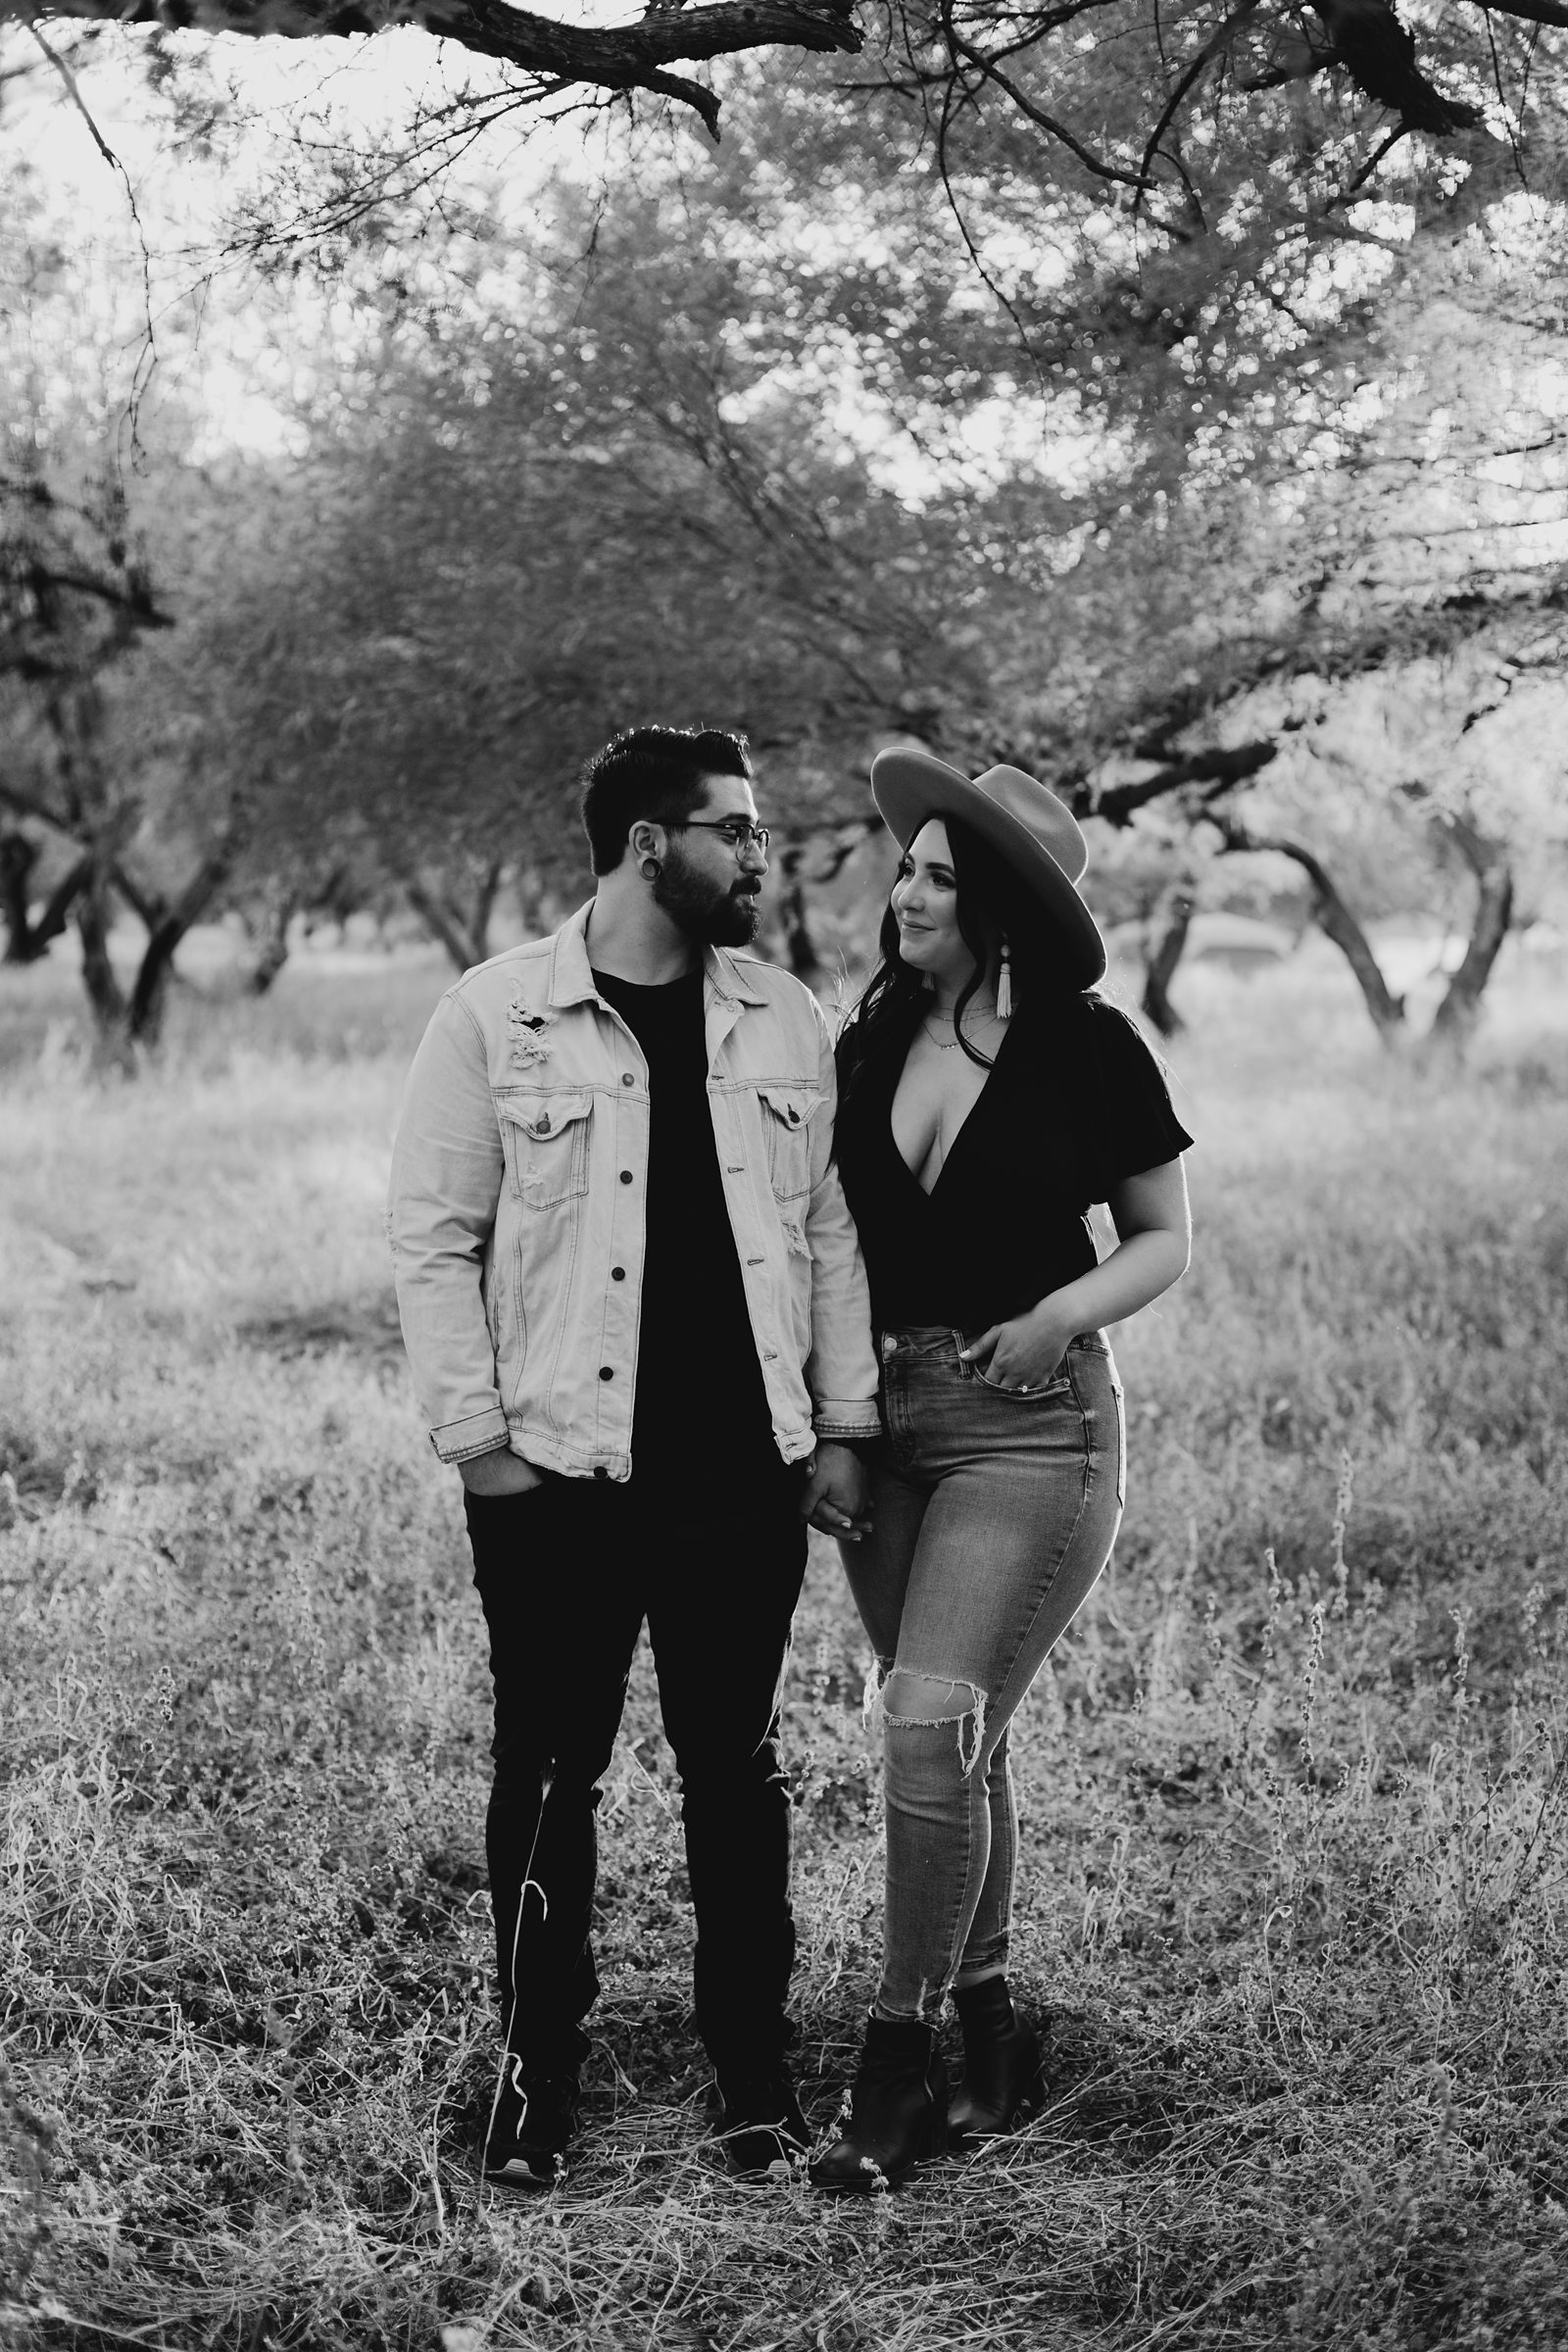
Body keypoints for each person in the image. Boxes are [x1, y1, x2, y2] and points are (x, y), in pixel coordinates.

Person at [386, 725, 880, 2189]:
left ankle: (754, 2072)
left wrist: (842, 1427)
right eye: (735, 831)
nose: (759, 856)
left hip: (742, 1480)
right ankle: (538, 2072)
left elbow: (831, 1235)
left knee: (737, 1776)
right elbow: (433, 1240)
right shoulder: (497, 1016)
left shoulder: (784, 1014)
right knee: (548, 1779)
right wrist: (478, 1448)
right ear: (650, 843)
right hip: (557, 1477)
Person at [808, 751, 1193, 2191]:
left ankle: (895, 2054)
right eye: (906, 867)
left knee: (924, 1724)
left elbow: (1164, 1237)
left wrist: (1057, 1314)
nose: (905, 890)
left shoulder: (1092, 1047)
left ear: (1004, 909)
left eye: (939, 877)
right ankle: (994, 2023)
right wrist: (842, 1431)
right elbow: (832, 1249)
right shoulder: (868, 1039)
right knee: (962, 1741)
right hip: (887, 1426)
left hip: (1032, 1430)